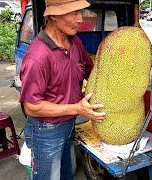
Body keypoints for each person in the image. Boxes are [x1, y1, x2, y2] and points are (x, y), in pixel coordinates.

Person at [19, 0, 105, 179]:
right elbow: (31, 107)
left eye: (80, 12)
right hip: (45, 131)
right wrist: (77, 108)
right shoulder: (37, 57)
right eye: (73, 13)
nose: (80, 19)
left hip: (69, 125)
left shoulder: (75, 43)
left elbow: (91, 71)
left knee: (68, 173)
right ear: (53, 16)